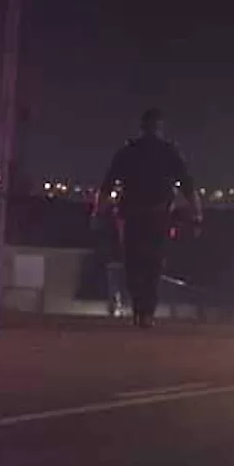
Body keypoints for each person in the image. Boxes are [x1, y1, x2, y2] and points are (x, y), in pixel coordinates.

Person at [93, 109, 201, 328]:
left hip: (134, 216)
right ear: (159, 127)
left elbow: (107, 185)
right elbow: (189, 187)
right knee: (152, 263)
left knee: (135, 263)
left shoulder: (129, 151)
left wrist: (98, 212)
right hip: (156, 216)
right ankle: (146, 312)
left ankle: (141, 310)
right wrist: (197, 215)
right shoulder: (169, 152)